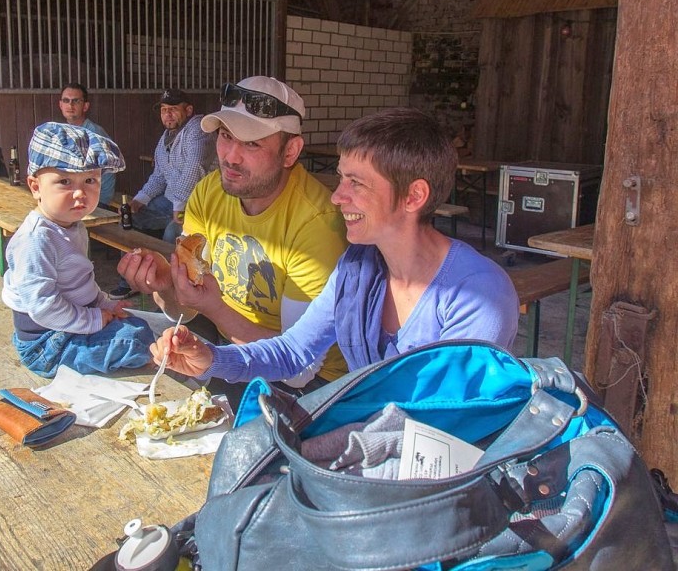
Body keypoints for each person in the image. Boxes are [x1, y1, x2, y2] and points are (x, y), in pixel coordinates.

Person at [147, 107, 520, 388]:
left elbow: (439, 422)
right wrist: (210, 358)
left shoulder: (477, 294)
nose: (338, 197)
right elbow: (294, 352)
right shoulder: (357, 267)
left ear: (414, 196)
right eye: (341, 179)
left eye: (356, 184)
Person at [117, 76, 349, 399]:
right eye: (226, 136)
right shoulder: (209, 193)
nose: (230, 157)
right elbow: (188, 308)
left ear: (290, 151)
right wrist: (166, 284)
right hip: (232, 350)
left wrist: (213, 308)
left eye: (252, 143)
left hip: (311, 387)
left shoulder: (316, 224)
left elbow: (299, 369)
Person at [2, 122, 154, 378]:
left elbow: (80, 282)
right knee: (136, 341)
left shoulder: (74, 226)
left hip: (67, 327)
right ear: (36, 186)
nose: (80, 193)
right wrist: (95, 320)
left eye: (90, 180)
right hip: (46, 344)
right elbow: (43, 306)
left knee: (136, 325)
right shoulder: (36, 239)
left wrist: (105, 305)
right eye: (64, 181)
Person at [110, 88, 217, 299]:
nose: (167, 115)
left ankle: (173, 289)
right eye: (164, 110)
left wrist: (178, 207)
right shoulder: (166, 137)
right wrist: (140, 200)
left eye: (173, 109)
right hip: (171, 201)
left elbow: (194, 168)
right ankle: (132, 280)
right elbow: (159, 175)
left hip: (198, 204)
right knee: (129, 220)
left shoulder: (198, 129)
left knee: (172, 234)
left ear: (188, 110)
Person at [59, 82, 116, 209]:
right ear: (60, 105)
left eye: (76, 101)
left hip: (96, 199)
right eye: (66, 100)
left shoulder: (94, 134)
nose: (70, 105)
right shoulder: (63, 132)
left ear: (85, 106)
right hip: (76, 194)